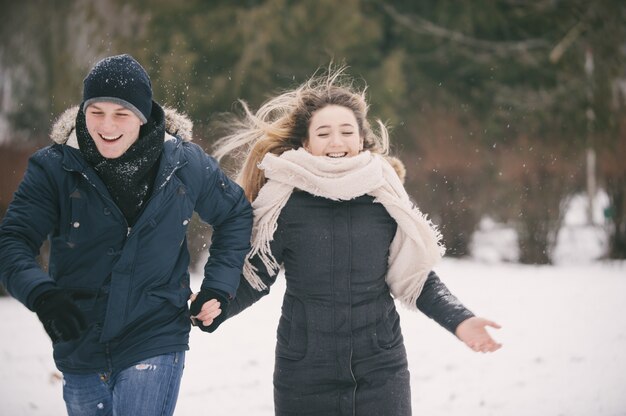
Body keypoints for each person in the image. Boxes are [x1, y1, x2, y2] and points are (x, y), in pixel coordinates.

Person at [210, 67, 502, 416]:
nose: (337, 141)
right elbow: (257, 275)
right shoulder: (283, 201)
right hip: (304, 371)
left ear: (362, 139)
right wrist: (217, 305)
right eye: (324, 133)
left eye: (347, 131)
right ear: (306, 143)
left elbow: (414, 277)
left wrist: (460, 319)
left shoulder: (385, 197)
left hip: (381, 368)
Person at [0, 54, 253, 416]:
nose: (106, 125)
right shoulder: (54, 167)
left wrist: (218, 288)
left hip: (156, 332)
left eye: (121, 113)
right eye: (96, 111)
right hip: (79, 339)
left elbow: (235, 214)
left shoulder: (184, 164)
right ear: (82, 111)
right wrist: (41, 294)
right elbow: (12, 241)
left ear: (143, 115)